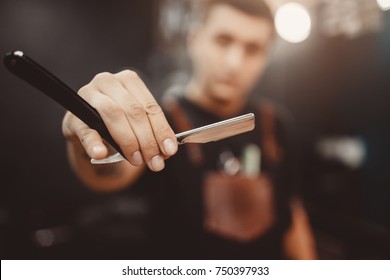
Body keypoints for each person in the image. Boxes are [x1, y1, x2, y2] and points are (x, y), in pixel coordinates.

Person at [62, 0, 317, 259]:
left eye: (252, 49)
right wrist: (94, 140)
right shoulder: (160, 121)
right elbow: (106, 174)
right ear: (194, 39)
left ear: (266, 56)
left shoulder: (277, 124)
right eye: (223, 40)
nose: (234, 62)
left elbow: (292, 213)